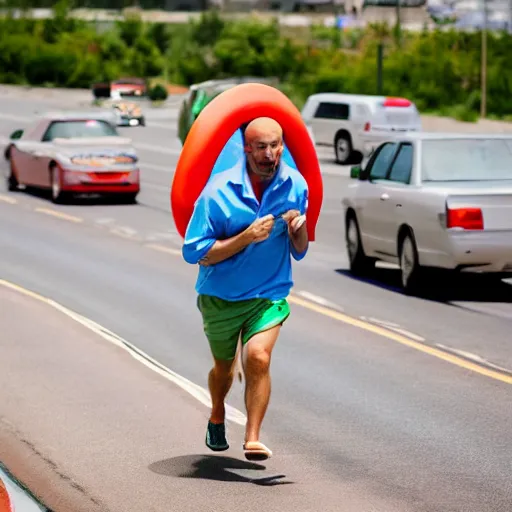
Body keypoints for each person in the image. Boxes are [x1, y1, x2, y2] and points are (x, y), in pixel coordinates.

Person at [182, 116, 309, 461]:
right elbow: (194, 253)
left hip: (269, 293)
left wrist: (299, 227)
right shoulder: (217, 193)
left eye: (275, 146)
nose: (269, 154)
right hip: (220, 297)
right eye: (261, 147)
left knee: (258, 357)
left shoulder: (295, 185)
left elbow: (299, 249)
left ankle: (252, 437)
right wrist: (246, 237)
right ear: (246, 148)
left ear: (283, 146)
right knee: (224, 369)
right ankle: (217, 412)